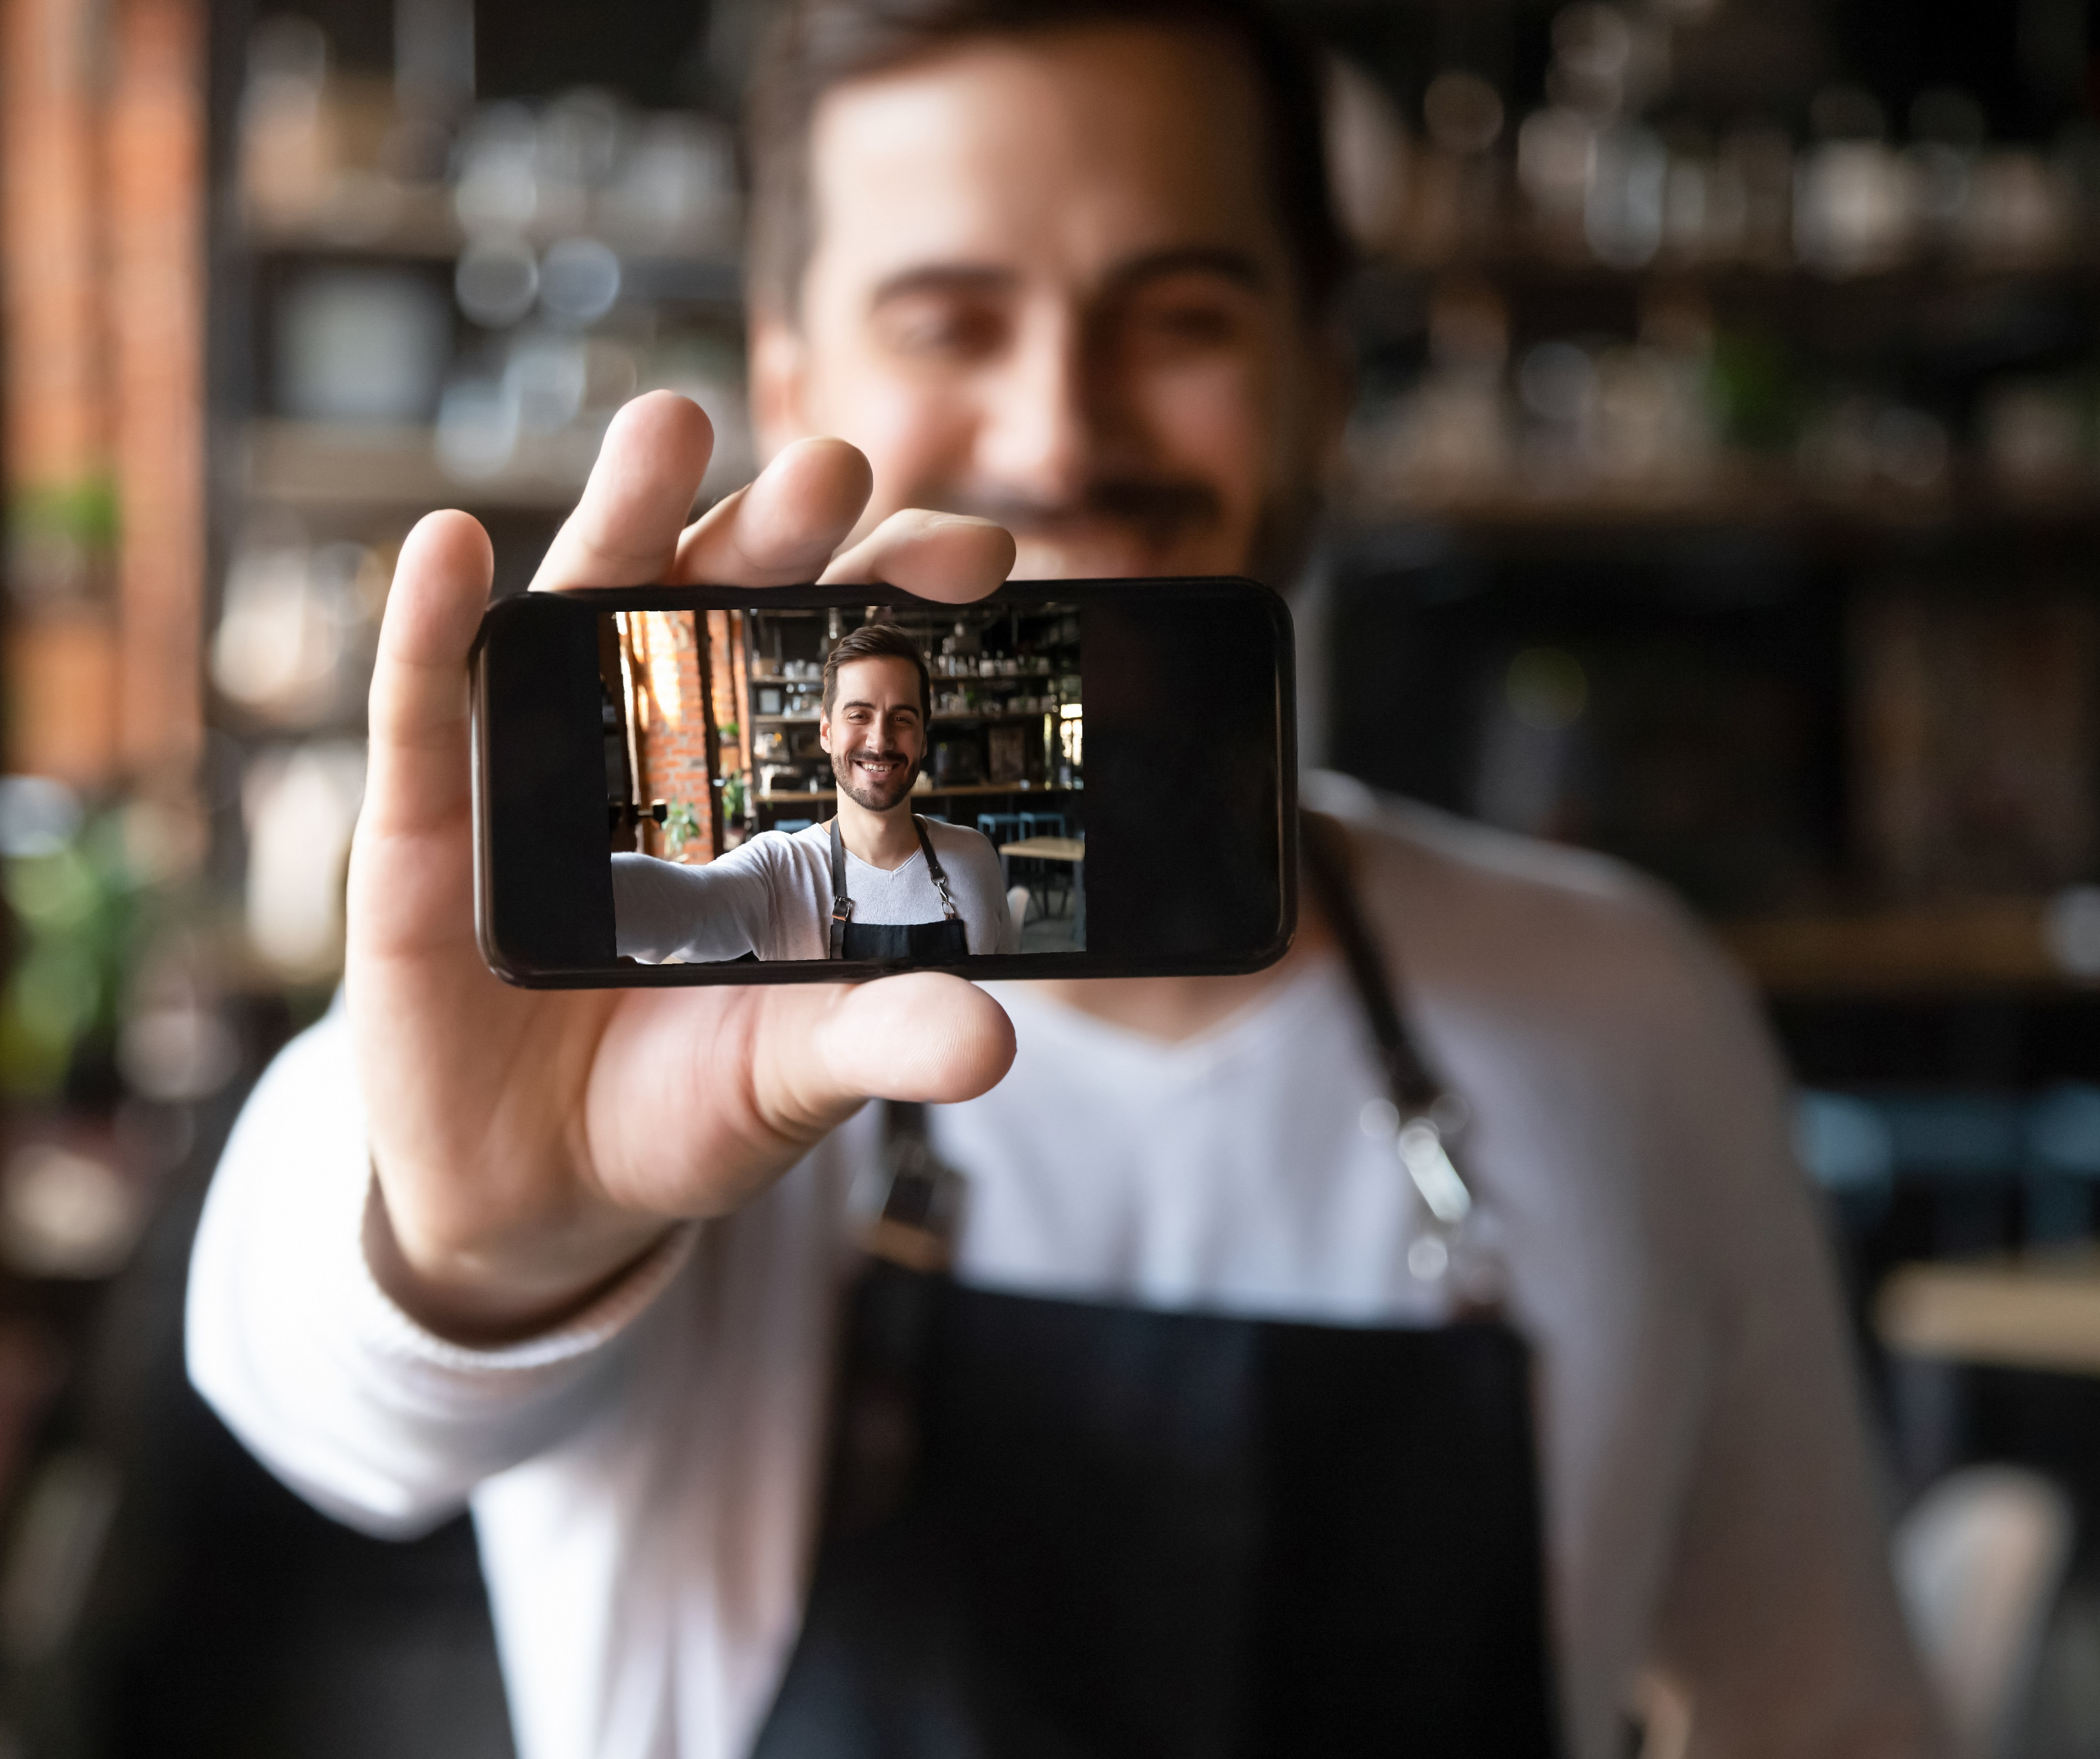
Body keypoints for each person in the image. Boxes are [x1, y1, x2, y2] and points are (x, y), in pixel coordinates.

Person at [188, 1, 1940, 1755]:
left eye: (1179, 316)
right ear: (791, 383)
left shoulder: (1625, 1013)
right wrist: (481, 1246)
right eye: (951, 319)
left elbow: (1820, 1715)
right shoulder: (660, 998)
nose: (1062, 425)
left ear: (1322, 377)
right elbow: (320, 1392)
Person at [611, 622, 1021, 964]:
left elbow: (1009, 1005)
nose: (880, 741)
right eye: (858, 715)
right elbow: (685, 904)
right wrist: (578, 892)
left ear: (924, 739)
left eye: (902, 718)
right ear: (826, 732)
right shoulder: (780, 869)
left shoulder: (976, 856)